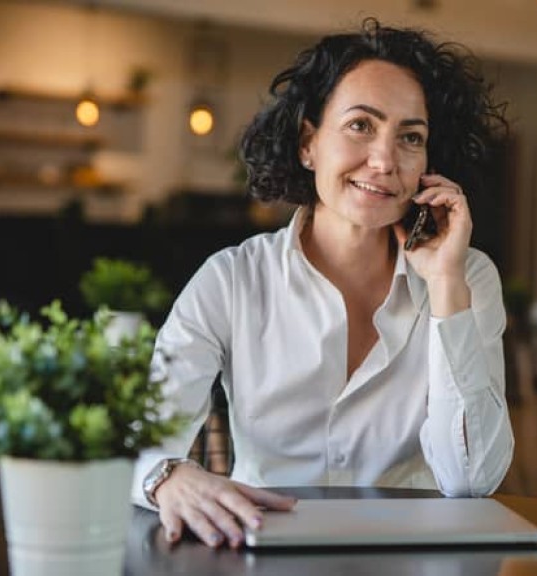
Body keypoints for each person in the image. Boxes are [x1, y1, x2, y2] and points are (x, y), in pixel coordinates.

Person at [132, 17, 515, 549]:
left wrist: (446, 285)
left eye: (410, 137)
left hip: (413, 558)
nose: (384, 161)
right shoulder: (231, 280)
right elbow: (140, 442)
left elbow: (473, 481)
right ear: (309, 143)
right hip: (260, 549)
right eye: (361, 125)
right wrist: (167, 476)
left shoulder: (468, 276)